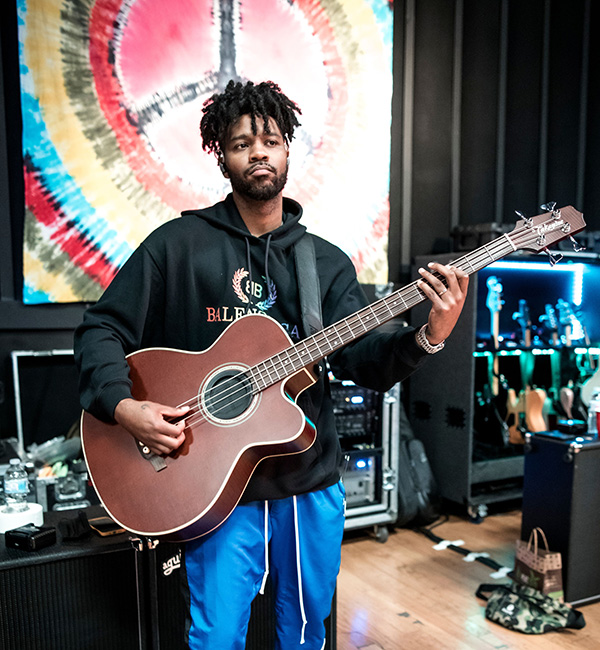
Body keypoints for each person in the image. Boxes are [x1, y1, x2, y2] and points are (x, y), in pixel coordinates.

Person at [74, 80, 469, 649]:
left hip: (307, 482)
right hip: (210, 486)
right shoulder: (176, 246)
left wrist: (429, 335)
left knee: (307, 633)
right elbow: (101, 329)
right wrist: (125, 406)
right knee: (215, 638)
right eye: (241, 144)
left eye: (271, 141)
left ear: (288, 151)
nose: (258, 152)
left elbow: (365, 361)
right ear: (222, 156)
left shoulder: (324, 263)